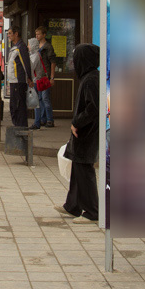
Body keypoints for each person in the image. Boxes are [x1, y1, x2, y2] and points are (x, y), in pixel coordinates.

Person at [55, 44, 100, 223]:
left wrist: (76, 122)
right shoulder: (90, 77)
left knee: (84, 169)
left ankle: (92, 212)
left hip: (87, 131)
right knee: (78, 168)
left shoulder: (91, 79)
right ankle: (72, 206)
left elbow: (93, 108)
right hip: (83, 131)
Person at [6, 26, 34, 128]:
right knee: (14, 105)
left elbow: (26, 63)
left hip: (19, 81)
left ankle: (21, 127)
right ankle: (17, 125)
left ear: (16, 34)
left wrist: (29, 78)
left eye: (10, 33)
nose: (8, 35)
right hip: (13, 81)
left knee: (19, 105)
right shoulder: (14, 47)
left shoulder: (21, 47)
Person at [31, 26, 57, 130]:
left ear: (44, 35)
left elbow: (53, 62)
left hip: (45, 76)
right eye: (36, 34)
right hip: (38, 76)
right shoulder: (36, 47)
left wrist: (52, 77)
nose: (37, 36)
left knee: (45, 98)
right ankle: (43, 118)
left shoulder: (48, 47)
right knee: (40, 98)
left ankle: (50, 119)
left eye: (39, 34)